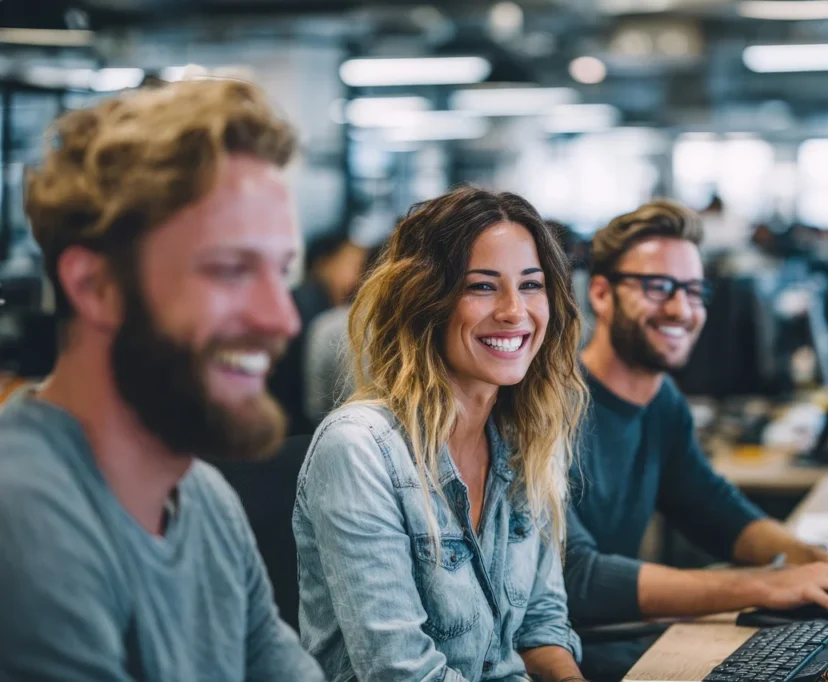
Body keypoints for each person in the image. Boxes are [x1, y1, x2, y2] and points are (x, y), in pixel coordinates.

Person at [0, 78, 324, 681]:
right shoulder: (24, 517)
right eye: (231, 270)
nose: (281, 317)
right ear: (96, 287)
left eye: (281, 272)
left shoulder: (202, 498)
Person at [564, 200, 828, 681]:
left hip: (629, 643)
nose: (681, 309)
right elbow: (577, 577)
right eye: (658, 287)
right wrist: (765, 585)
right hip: (579, 657)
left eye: (694, 291)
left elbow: (713, 508)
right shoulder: (554, 411)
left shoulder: (661, 401)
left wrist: (822, 565)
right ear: (603, 294)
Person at [293, 187, 587, 682]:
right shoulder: (360, 449)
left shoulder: (527, 437)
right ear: (425, 300)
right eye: (482, 286)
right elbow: (401, 673)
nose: (515, 310)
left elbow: (540, 628)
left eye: (531, 285)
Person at [269, 232, 370, 435]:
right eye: (353, 265)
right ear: (324, 264)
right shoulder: (311, 309)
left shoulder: (315, 303)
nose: (359, 276)